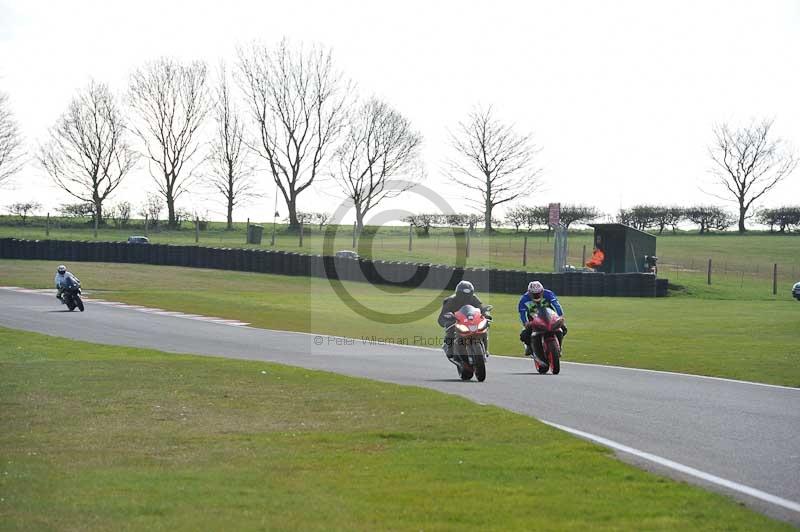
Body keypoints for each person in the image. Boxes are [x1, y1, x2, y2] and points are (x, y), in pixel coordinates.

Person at [438, 280, 489, 360]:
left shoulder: (474, 298)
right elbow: (442, 316)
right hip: (457, 321)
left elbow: (481, 308)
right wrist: (447, 318)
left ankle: (485, 349)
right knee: (450, 327)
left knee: (484, 327)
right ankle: (450, 348)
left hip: (470, 321)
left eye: (468, 295)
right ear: (458, 293)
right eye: (463, 294)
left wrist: (486, 315)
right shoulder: (451, 300)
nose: (465, 297)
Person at [518, 280, 567, 359]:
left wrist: (561, 316)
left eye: (538, 293)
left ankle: (559, 347)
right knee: (524, 335)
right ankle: (529, 347)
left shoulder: (548, 293)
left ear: (542, 291)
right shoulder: (524, 299)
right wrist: (525, 322)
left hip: (550, 315)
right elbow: (522, 313)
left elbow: (556, 305)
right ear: (529, 293)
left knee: (563, 328)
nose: (536, 295)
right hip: (533, 318)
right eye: (534, 294)